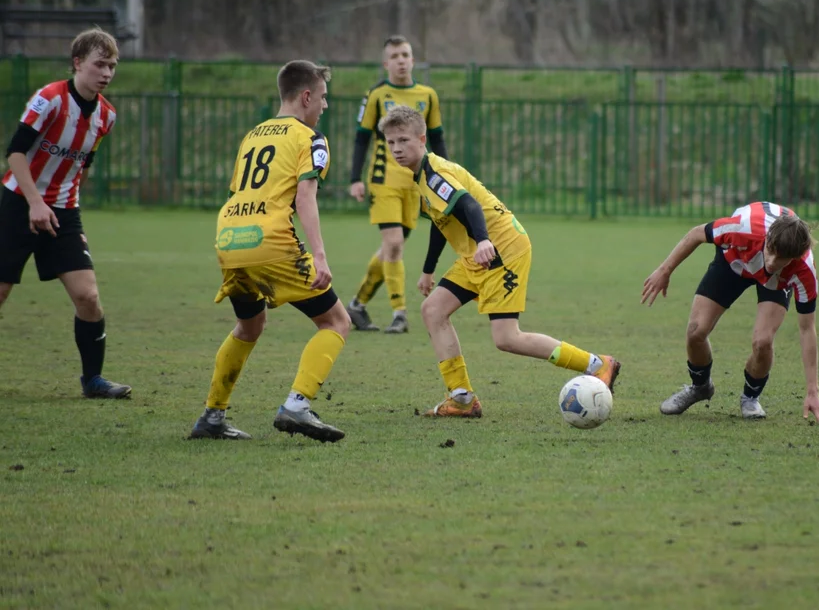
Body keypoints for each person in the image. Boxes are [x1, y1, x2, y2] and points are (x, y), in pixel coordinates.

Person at [379, 105, 620, 417]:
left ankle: (598, 364)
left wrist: (482, 241)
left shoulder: (435, 174)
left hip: (502, 248)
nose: (397, 149)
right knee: (433, 310)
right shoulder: (422, 176)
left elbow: (469, 206)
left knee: (507, 338)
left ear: (422, 138)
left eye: (403, 141)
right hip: (477, 254)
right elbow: (441, 220)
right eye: (391, 143)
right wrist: (428, 271)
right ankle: (461, 398)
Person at [189, 60, 350, 442]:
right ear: (306, 96)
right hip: (271, 241)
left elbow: (236, 193)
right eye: (323, 98)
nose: (325, 106)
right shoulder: (310, 138)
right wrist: (320, 256)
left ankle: (212, 415)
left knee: (250, 325)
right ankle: (297, 405)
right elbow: (305, 195)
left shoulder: (253, 135)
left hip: (230, 239)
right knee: (337, 322)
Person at [0, 29, 131, 399]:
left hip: (62, 211)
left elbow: (82, 166)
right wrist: (35, 202)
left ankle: (93, 381)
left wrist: (71, 211)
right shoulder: (50, 99)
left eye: (112, 66)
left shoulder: (106, 116)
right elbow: (15, 153)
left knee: (88, 296)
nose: (106, 73)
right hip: (18, 203)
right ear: (77, 63)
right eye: (99, 64)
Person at [642, 201, 819, 425]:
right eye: (771, 251)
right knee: (695, 331)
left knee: (763, 342)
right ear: (768, 239)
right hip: (735, 261)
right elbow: (696, 234)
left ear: (794, 257)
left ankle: (750, 398)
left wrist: (813, 391)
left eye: (781, 259)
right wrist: (665, 270)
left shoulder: (804, 270)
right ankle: (700, 387)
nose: (772, 262)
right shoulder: (742, 230)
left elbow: (807, 329)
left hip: (776, 282)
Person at [346, 35, 448, 335]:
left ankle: (357, 304)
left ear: (413, 60)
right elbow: (361, 137)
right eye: (395, 56)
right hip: (383, 180)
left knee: (392, 248)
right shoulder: (377, 94)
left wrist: (445, 174)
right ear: (386, 63)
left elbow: (437, 137)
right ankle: (399, 313)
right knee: (393, 244)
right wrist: (354, 178)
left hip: (415, 182)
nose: (401, 60)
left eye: (406, 54)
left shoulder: (427, 94)